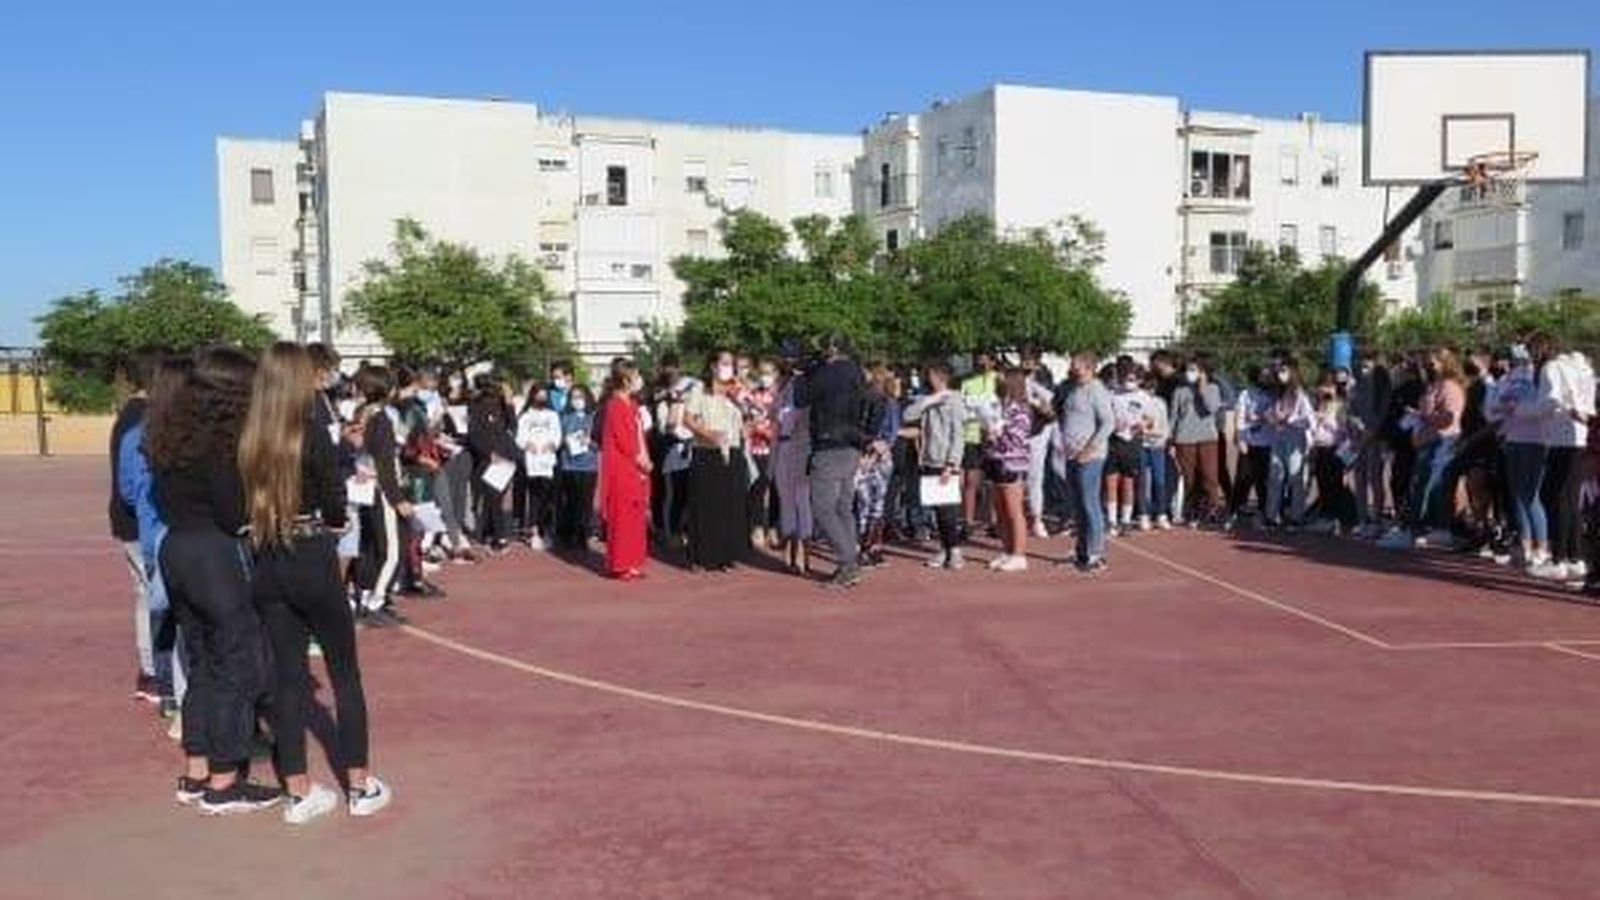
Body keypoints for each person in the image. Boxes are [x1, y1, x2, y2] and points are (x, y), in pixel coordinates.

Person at [239, 343, 390, 825]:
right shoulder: (310, 434)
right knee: (344, 672)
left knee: (286, 678)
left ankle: (299, 791)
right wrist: (337, 519)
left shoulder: (248, 438)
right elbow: (332, 500)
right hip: (310, 554)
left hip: (266, 557)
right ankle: (360, 784)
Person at [148, 345, 283, 815]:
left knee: (203, 660)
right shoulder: (222, 441)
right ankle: (225, 783)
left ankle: (198, 769)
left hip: (177, 548)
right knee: (238, 661)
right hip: (213, 552)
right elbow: (231, 512)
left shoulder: (170, 430)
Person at [118, 355, 191, 721]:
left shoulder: (135, 434)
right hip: (183, 537)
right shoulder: (192, 433)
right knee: (188, 619)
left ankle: (168, 695)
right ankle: (186, 695)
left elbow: (128, 492)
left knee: (161, 615)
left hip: (152, 535)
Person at [796, 334, 878, 589]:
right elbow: (875, 402)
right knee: (843, 507)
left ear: (832, 349)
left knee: (822, 508)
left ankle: (848, 563)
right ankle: (850, 561)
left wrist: (801, 373)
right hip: (851, 445)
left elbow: (801, 398)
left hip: (829, 445)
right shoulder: (856, 372)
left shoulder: (827, 373)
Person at [110, 349, 159, 704]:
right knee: (153, 597)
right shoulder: (140, 420)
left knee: (147, 596)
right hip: (140, 524)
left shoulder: (130, 414)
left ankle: (151, 671)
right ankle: (154, 671)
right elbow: (131, 486)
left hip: (131, 522)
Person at [1529, 336, 1595, 580]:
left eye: (1531, 348)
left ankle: (1559, 558)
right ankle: (1574, 557)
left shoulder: (1551, 368)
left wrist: (1524, 410)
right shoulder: (1579, 367)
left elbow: (1551, 400)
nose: (1529, 354)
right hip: (1578, 437)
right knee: (1568, 499)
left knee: (1553, 496)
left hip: (1561, 437)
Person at [351, 366, 409, 625]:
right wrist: (398, 499)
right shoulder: (381, 419)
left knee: (371, 546)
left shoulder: (360, 413)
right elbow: (385, 464)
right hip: (381, 489)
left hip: (363, 487)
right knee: (392, 550)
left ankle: (365, 595)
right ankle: (376, 600)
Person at [683, 352, 751, 571]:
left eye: (730, 364)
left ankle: (725, 556)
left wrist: (741, 403)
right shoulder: (699, 389)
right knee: (704, 506)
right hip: (706, 451)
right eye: (723, 363)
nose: (728, 368)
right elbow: (688, 418)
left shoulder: (735, 391)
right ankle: (699, 557)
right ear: (713, 366)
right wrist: (707, 433)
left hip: (730, 452)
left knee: (728, 506)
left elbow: (746, 418)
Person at [1054, 351, 1115, 572]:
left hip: (1091, 456)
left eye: (1077, 366)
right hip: (1071, 454)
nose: (1072, 369)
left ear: (1089, 368)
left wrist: (1090, 449)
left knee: (1090, 504)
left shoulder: (1096, 390)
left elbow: (1108, 422)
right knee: (1077, 505)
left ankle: (1096, 553)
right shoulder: (1071, 389)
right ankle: (1082, 551)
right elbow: (1063, 415)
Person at [903, 363, 968, 570]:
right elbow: (908, 415)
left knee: (948, 509)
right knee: (937, 509)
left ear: (939, 376)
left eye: (929, 374)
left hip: (944, 461)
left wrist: (952, 464)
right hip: (929, 459)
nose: (926, 378)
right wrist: (930, 400)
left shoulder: (954, 400)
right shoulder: (928, 399)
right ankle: (944, 547)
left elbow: (958, 434)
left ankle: (955, 550)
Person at [597, 360, 652, 580]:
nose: (639, 381)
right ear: (626, 379)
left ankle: (634, 561)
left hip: (636, 465)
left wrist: (644, 457)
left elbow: (639, 433)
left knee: (636, 516)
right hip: (622, 466)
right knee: (622, 516)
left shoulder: (633, 404)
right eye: (636, 376)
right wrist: (639, 458)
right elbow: (623, 440)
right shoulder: (614, 405)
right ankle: (620, 564)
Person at [984, 369, 1033, 572]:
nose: (998, 383)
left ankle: (1019, 554)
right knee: (1000, 509)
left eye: (1002, 380)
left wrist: (998, 433)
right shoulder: (999, 406)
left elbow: (1018, 437)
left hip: (1012, 462)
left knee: (1014, 511)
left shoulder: (1019, 410)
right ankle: (1007, 550)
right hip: (995, 459)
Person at [770, 351, 814, 574]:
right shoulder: (780, 394)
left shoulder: (808, 395)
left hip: (803, 450)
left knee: (803, 501)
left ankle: (805, 554)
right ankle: (789, 548)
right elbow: (775, 428)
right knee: (786, 500)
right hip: (783, 449)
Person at [1170, 359, 1224, 527]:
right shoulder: (1179, 391)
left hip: (1207, 438)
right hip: (1184, 439)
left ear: (1202, 371)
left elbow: (1212, 408)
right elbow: (1174, 417)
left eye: (1193, 369)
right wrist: (1170, 440)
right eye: (1188, 369)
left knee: (1210, 476)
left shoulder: (1213, 388)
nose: (1189, 373)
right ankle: (1192, 510)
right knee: (1190, 477)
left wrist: (1202, 389)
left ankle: (1213, 510)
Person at [855, 365, 899, 568]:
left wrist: (879, 449)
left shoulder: (890, 403)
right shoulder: (860, 401)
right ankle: (861, 547)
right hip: (863, 457)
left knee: (877, 505)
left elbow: (891, 433)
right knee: (863, 503)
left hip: (880, 459)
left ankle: (872, 546)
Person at [468, 376, 518, 553]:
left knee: (496, 497)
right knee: (490, 498)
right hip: (487, 458)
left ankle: (495, 536)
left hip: (505, 457)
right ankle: (494, 536)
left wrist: (510, 403)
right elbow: (473, 435)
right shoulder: (476, 406)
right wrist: (488, 453)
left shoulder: (503, 405)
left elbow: (512, 426)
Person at [1264, 358, 1313, 529]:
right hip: (1278, 438)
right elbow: (1271, 413)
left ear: (1292, 372)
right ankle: (1272, 516)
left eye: (1284, 371)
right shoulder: (1278, 393)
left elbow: (1308, 420)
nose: (1280, 374)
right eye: (1278, 371)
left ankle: (1296, 517)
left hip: (1295, 440)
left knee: (1295, 477)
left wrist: (1290, 419)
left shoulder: (1300, 394)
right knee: (1275, 476)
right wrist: (1271, 416)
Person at [1104, 359, 1148, 535]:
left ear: (1138, 379)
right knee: (1111, 482)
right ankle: (1111, 520)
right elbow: (1106, 416)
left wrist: (1141, 425)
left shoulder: (1144, 397)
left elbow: (1150, 419)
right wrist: (1113, 424)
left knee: (1129, 483)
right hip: (1114, 441)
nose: (1128, 381)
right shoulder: (1112, 395)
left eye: (1132, 378)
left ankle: (1126, 520)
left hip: (1132, 442)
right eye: (1126, 377)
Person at [515, 385, 562, 551]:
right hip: (532, 460)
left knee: (547, 496)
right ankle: (534, 530)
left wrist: (553, 444)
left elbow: (557, 434)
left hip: (548, 459)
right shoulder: (525, 416)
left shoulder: (553, 415)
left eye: (544, 396)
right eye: (538, 395)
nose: (541, 398)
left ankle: (545, 529)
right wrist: (527, 444)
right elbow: (519, 436)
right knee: (534, 495)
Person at [959, 353, 1000, 533]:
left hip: (994, 437)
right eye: (979, 360)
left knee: (993, 482)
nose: (981, 363)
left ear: (993, 361)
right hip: (971, 436)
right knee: (970, 481)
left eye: (985, 359)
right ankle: (968, 522)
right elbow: (962, 408)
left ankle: (993, 521)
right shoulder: (967, 383)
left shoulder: (1000, 380)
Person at [556, 384, 600, 551]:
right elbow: (557, 439)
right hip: (569, 464)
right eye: (573, 397)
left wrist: (591, 442)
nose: (577, 401)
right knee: (570, 501)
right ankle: (568, 535)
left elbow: (600, 443)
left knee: (586, 502)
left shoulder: (593, 417)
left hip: (589, 465)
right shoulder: (565, 417)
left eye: (580, 397)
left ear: (587, 398)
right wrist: (564, 441)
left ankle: (584, 534)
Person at [743, 360, 779, 548]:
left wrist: (770, 433)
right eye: (762, 373)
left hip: (776, 449)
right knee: (757, 488)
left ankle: (773, 527)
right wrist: (754, 428)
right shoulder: (751, 396)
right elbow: (746, 422)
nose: (766, 377)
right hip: (756, 449)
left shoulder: (780, 396)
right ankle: (755, 527)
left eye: (769, 373)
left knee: (776, 490)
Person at [1135, 369, 1172, 531]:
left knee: (1159, 480)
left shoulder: (1161, 403)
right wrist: (1142, 432)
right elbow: (1136, 424)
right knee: (1143, 481)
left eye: (1152, 387)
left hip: (1157, 446)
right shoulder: (1137, 402)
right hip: (1142, 445)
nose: (1149, 390)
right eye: (1146, 387)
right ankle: (1144, 514)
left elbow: (1165, 425)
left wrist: (1163, 439)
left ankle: (1161, 513)